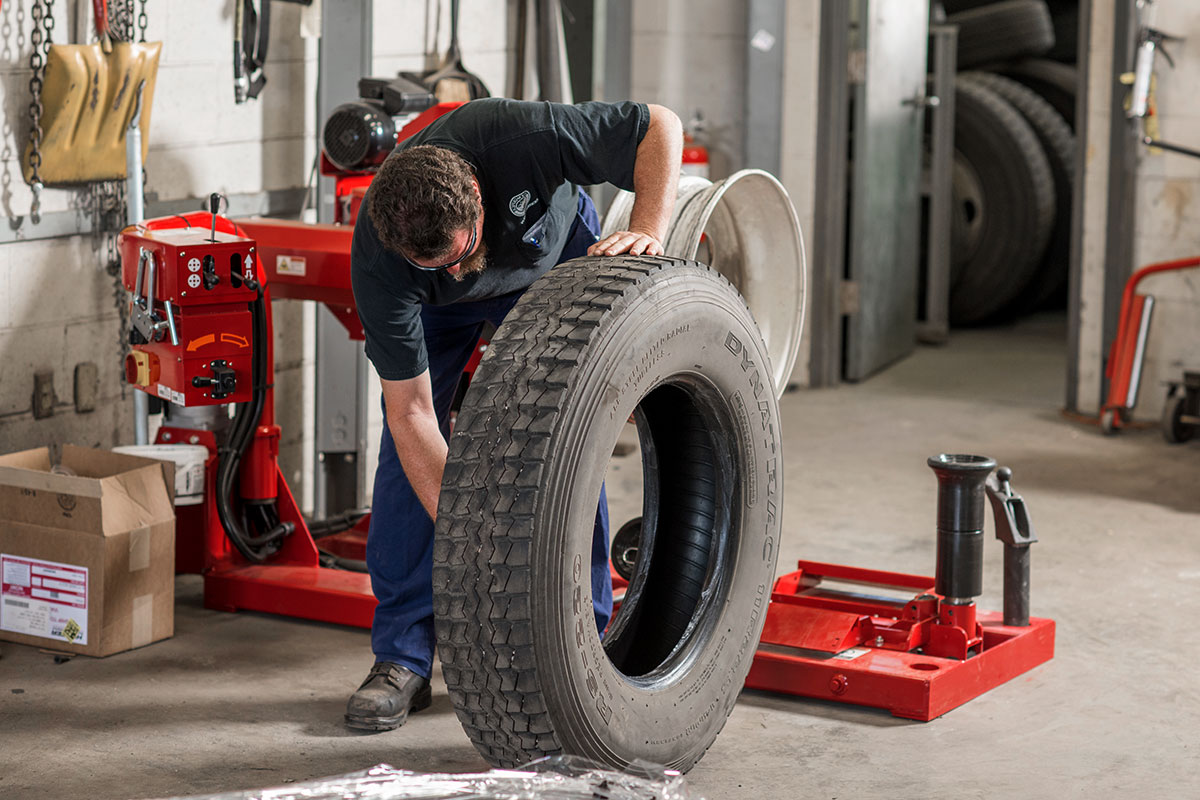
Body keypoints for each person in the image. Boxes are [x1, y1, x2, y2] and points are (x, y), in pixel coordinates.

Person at [345, 97, 683, 731]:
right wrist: (471, 532)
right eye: (433, 263)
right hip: (436, 313)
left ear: (476, 192)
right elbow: (413, 413)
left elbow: (658, 126)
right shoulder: (384, 259)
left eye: (458, 251)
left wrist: (649, 227)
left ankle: (585, 635)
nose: (455, 268)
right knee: (405, 456)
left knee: (566, 431)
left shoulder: (520, 136)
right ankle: (402, 657)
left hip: (543, 261)